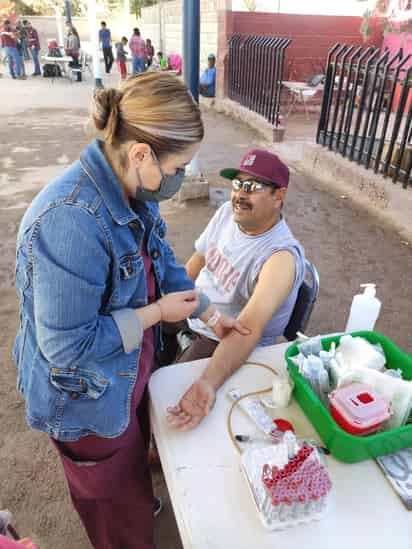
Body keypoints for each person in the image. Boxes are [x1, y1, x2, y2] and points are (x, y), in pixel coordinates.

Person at [13, 72, 248, 549]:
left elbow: (160, 261)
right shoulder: (71, 221)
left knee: (130, 471)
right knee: (116, 519)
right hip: (86, 399)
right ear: (141, 153)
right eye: (178, 167)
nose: (180, 178)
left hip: (123, 375)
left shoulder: (131, 188)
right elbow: (65, 347)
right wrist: (154, 314)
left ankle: (134, 499)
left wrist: (209, 313)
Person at [166, 149, 306, 431]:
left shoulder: (279, 258)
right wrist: (170, 297)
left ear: (279, 196)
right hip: (198, 308)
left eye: (252, 187)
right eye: (238, 184)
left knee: (169, 398)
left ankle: (155, 452)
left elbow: (248, 328)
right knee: (138, 346)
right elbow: (197, 261)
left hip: (223, 338)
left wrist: (207, 382)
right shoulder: (225, 214)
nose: (240, 195)